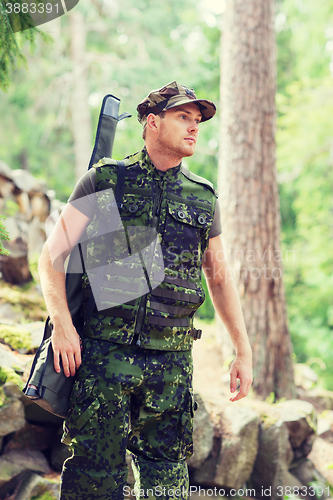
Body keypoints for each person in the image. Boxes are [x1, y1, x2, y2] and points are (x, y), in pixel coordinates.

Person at [38, 81, 253, 500]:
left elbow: (220, 278)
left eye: (198, 121)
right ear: (152, 123)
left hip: (171, 365)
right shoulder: (105, 180)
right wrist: (62, 326)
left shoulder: (203, 197)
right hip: (103, 356)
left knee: (168, 483)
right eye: (183, 118)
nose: (194, 128)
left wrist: (242, 349)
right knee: (93, 480)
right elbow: (52, 256)